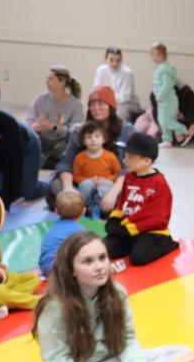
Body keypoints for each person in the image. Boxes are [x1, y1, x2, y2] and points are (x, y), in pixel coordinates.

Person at [32, 231, 189, 362]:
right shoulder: (54, 307)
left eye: (102, 258)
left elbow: (127, 340)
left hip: (114, 361)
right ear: (71, 269)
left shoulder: (117, 292)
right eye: (88, 261)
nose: (99, 267)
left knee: (182, 354)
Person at [48, 85, 134, 212]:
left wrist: (112, 193)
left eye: (100, 104)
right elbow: (66, 163)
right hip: (83, 182)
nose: (96, 108)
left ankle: (81, 206)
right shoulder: (79, 130)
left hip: (113, 183)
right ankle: (81, 204)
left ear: (111, 106)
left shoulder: (126, 130)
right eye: (92, 104)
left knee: (132, 192)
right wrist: (68, 190)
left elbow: (128, 168)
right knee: (56, 185)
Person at [104, 132, 179, 266]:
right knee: (103, 249)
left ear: (147, 161)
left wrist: (130, 229)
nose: (124, 160)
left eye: (130, 157)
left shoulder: (159, 183)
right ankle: (131, 244)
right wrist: (114, 218)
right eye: (125, 155)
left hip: (150, 232)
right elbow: (123, 202)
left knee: (138, 258)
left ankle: (167, 244)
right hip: (128, 229)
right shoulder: (129, 177)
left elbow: (157, 217)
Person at [26, 66, 85, 169]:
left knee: (64, 147)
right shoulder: (40, 100)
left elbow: (75, 132)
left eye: (50, 79)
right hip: (40, 141)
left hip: (60, 145)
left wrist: (54, 127)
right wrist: (34, 125)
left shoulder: (76, 105)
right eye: (47, 78)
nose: (46, 81)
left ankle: (51, 162)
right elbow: (27, 123)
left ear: (62, 83)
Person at [72, 121, 121, 219]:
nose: (93, 140)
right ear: (83, 140)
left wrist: (105, 179)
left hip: (105, 182)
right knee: (85, 185)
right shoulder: (79, 157)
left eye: (97, 136)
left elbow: (117, 174)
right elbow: (76, 176)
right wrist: (89, 180)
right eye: (89, 137)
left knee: (106, 185)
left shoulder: (110, 156)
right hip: (88, 183)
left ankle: (97, 210)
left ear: (104, 139)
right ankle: (83, 209)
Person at [149, 43, 194, 146]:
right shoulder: (159, 68)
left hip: (168, 99)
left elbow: (167, 85)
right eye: (153, 54)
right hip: (162, 100)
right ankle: (167, 139)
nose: (155, 57)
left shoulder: (165, 69)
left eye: (158, 55)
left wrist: (159, 95)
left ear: (164, 55)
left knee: (166, 121)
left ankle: (183, 130)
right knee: (162, 120)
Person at [38, 190, 86, 277]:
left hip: (45, 268)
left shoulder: (52, 228)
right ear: (83, 211)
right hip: (59, 271)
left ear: (56, 211)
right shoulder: (79, 230)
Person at [93, 47, 142, 123]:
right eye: (111, 60)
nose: (114, 63)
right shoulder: (101, 70)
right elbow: (97, 91)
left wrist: (107, 100)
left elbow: (125, 97)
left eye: (118, 60)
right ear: (106, 60)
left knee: (118, 113)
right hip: (108, 102)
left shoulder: (127, 73)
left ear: (122, 60)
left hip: (128, 103)